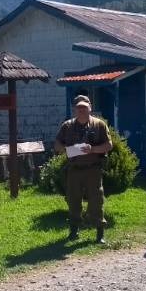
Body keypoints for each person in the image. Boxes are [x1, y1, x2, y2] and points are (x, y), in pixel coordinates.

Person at [54, 95, 113, 243]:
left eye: (84, 107)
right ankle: (74, 231)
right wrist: (68, 150)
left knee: (96, 200)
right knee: (73, 200)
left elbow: (108, 145)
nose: (81, 110)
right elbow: (57, 145)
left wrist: (93, 149)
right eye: (79, 108)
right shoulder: (67, 126)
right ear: (74, 109)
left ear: (90, 108)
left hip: (93, 169)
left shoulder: (99, 125)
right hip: (74, 169)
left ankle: (100, 234)